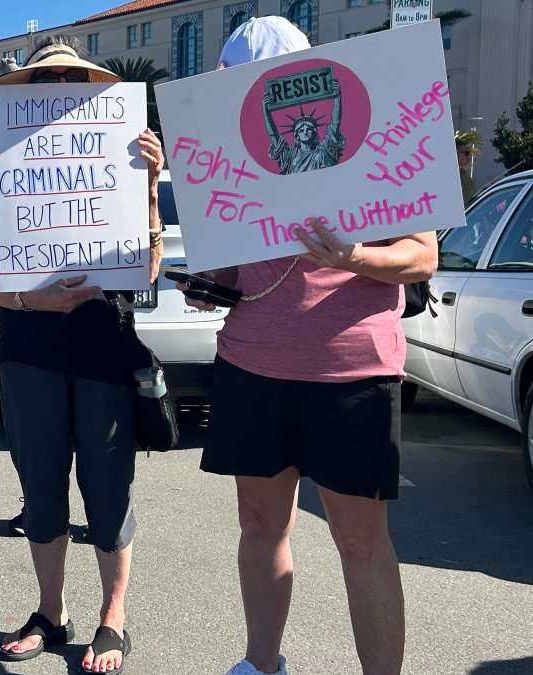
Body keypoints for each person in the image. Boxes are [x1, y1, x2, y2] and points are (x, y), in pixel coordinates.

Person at [179, 18, 437, 675]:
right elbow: (238, 272)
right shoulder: (234, 150)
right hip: (251, 362)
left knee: (359, 538)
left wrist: (352, 255)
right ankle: (260, 664)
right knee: (260, 526)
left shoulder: (374, 136)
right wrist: (211, 285)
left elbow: (422, 255)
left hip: (353, 365)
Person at [0, 36, 165, 675]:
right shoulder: (7, 175)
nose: (56, 90)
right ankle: (52, 612)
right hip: (29, 350)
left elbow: (143, 270)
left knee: (108, 488)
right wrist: (36, 305)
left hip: (104, 349)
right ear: (26, 94)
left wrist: (147, 189)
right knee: (41, 488)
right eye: (43, 81)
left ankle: (113, 618)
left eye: (70, 79)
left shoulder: (123, 160)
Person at [264, 76, 343, 175]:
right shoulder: (289, 155)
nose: (305, 132)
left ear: (314, 132)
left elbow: (335, 123)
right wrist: (265, 111)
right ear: (297, 135)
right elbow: (273, 135)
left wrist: (337, 97)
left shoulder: (323, 150)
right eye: (301, 130)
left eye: (309, 129)